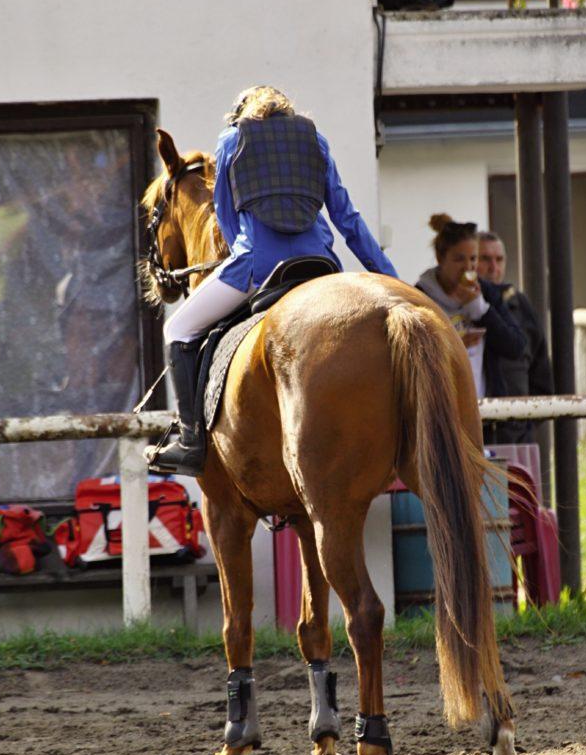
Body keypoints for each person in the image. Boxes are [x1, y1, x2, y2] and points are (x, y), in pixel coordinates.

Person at [149, 84, 399, 475]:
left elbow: (227, 220)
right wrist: (390, 277)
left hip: (256, 266)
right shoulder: (316, 140)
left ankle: (191, 443)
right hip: (319, 263)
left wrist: (244, 253)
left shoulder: (231, 140)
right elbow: (347, 219)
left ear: (242, 114)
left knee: (178, 330)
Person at [415, 215, 525, 433]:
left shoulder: (485, 292)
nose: (468, 267)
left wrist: (480, 309)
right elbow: (414, 356)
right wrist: (454, 345)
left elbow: (516, 346)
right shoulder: (421, 297)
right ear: (440, 258)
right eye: (459, 259)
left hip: (484, 413)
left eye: (473, 259)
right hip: (439, 414)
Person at [477, 230, 554, 444]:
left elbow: (542, 378)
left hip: (516, 437)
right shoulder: (459, 308)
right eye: (485, 259)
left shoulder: (520, 306)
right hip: (473, 435)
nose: (494, 267)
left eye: (499, 259)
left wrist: (523, 424)